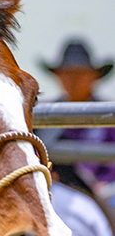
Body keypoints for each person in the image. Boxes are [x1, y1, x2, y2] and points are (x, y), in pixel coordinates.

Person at [42, 39, 115, 196]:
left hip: (105, 191)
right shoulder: (43, 114)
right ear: (59, 77)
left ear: (94, 76)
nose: (73, 80)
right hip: (56, 188)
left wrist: (105, 185)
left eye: (80, 73)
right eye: (67, 74)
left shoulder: (109, 115)